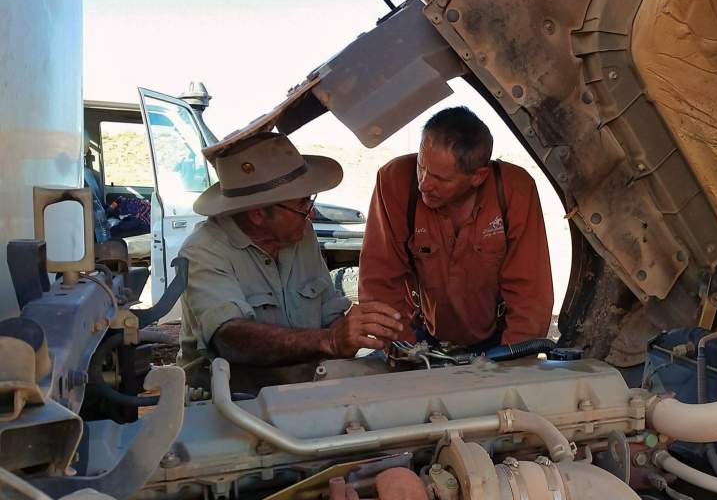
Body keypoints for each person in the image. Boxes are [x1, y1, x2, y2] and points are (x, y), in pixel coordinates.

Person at [177, 132, 403, 392]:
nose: (312, 212)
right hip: (231, 403)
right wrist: (329, 340)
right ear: (258, 213)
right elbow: (230, 338)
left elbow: (329, 315)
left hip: (304, 389)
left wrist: (359, 328)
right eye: (303, 203)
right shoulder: (203, 251)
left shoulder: (300, 233)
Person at [359, 107, 553, 349]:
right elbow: (380, 282)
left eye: (441, 179)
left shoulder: (515, 190)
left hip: (499, 341)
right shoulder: (395, 181)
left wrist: (511, 364)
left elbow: (530, 294)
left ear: (478, 177)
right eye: (421, 167)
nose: (424, 184)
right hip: (420, 338)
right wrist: (405, 353)